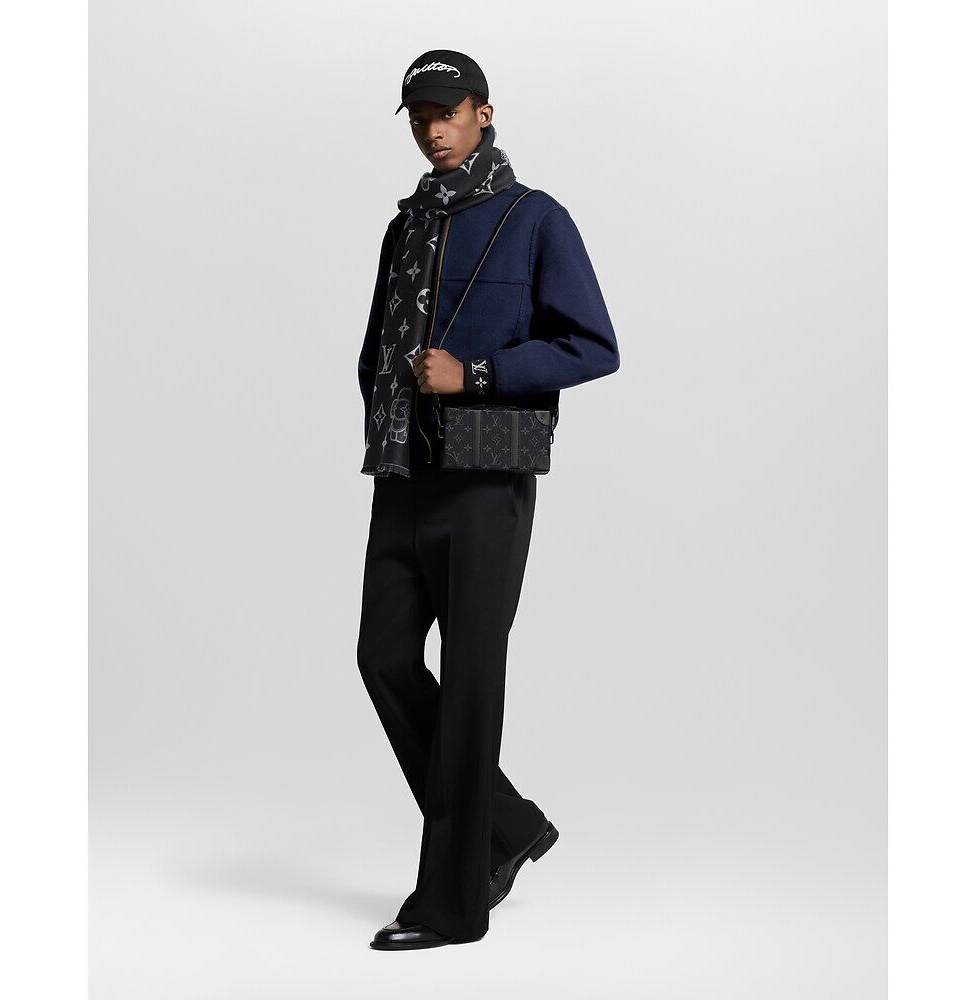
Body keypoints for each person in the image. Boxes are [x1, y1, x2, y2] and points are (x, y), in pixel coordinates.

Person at [356, 48, 620, 950]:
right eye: (420, 116)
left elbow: (593, 345)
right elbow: (378, 348)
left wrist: (474, 374)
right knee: (383, 658)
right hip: (405, 476)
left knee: (470, 682)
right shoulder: (406, 226)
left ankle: (452, 904)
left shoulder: (534, 218)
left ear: (484, 113)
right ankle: (506, 827)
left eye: (448, 111)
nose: (434, 129)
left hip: (484, 481)